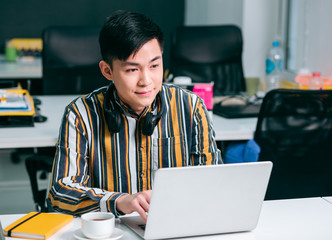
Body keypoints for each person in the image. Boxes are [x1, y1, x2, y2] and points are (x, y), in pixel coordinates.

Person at [48, 10, 222, 223]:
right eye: (132, 70)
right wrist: (119, 201)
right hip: (113, 231)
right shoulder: (81, 114)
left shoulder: (191, 106)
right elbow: (59, 193)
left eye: (154, 66)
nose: (146, 81)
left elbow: (213, 181)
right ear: (107, 71)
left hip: (178, 226)